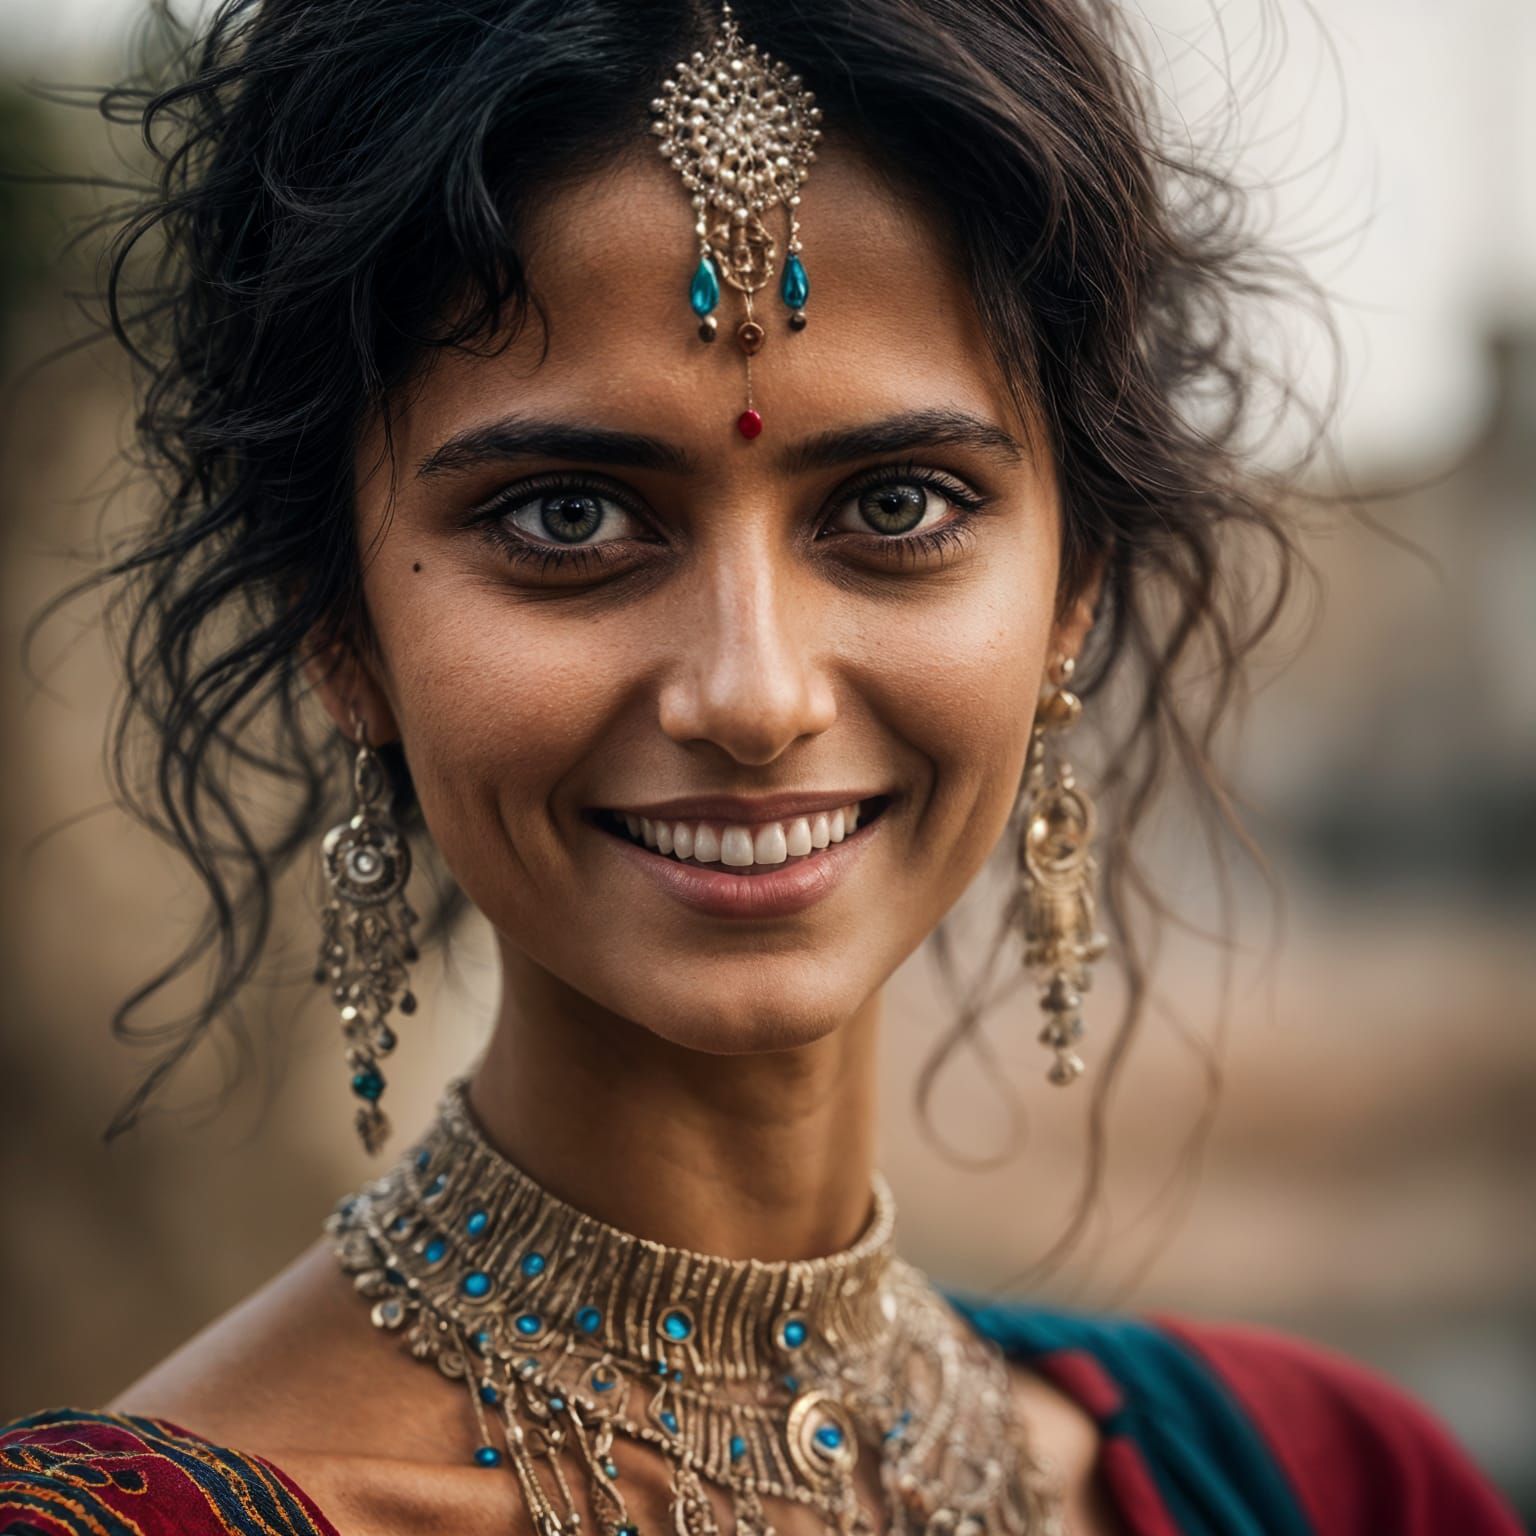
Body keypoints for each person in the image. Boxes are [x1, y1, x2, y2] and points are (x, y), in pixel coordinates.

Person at [0, 1, 1524, 1533]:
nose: (754, 694)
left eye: (898, 504)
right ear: (344, 624)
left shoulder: (1330, 1482)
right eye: (570, 518)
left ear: (1071, 589)